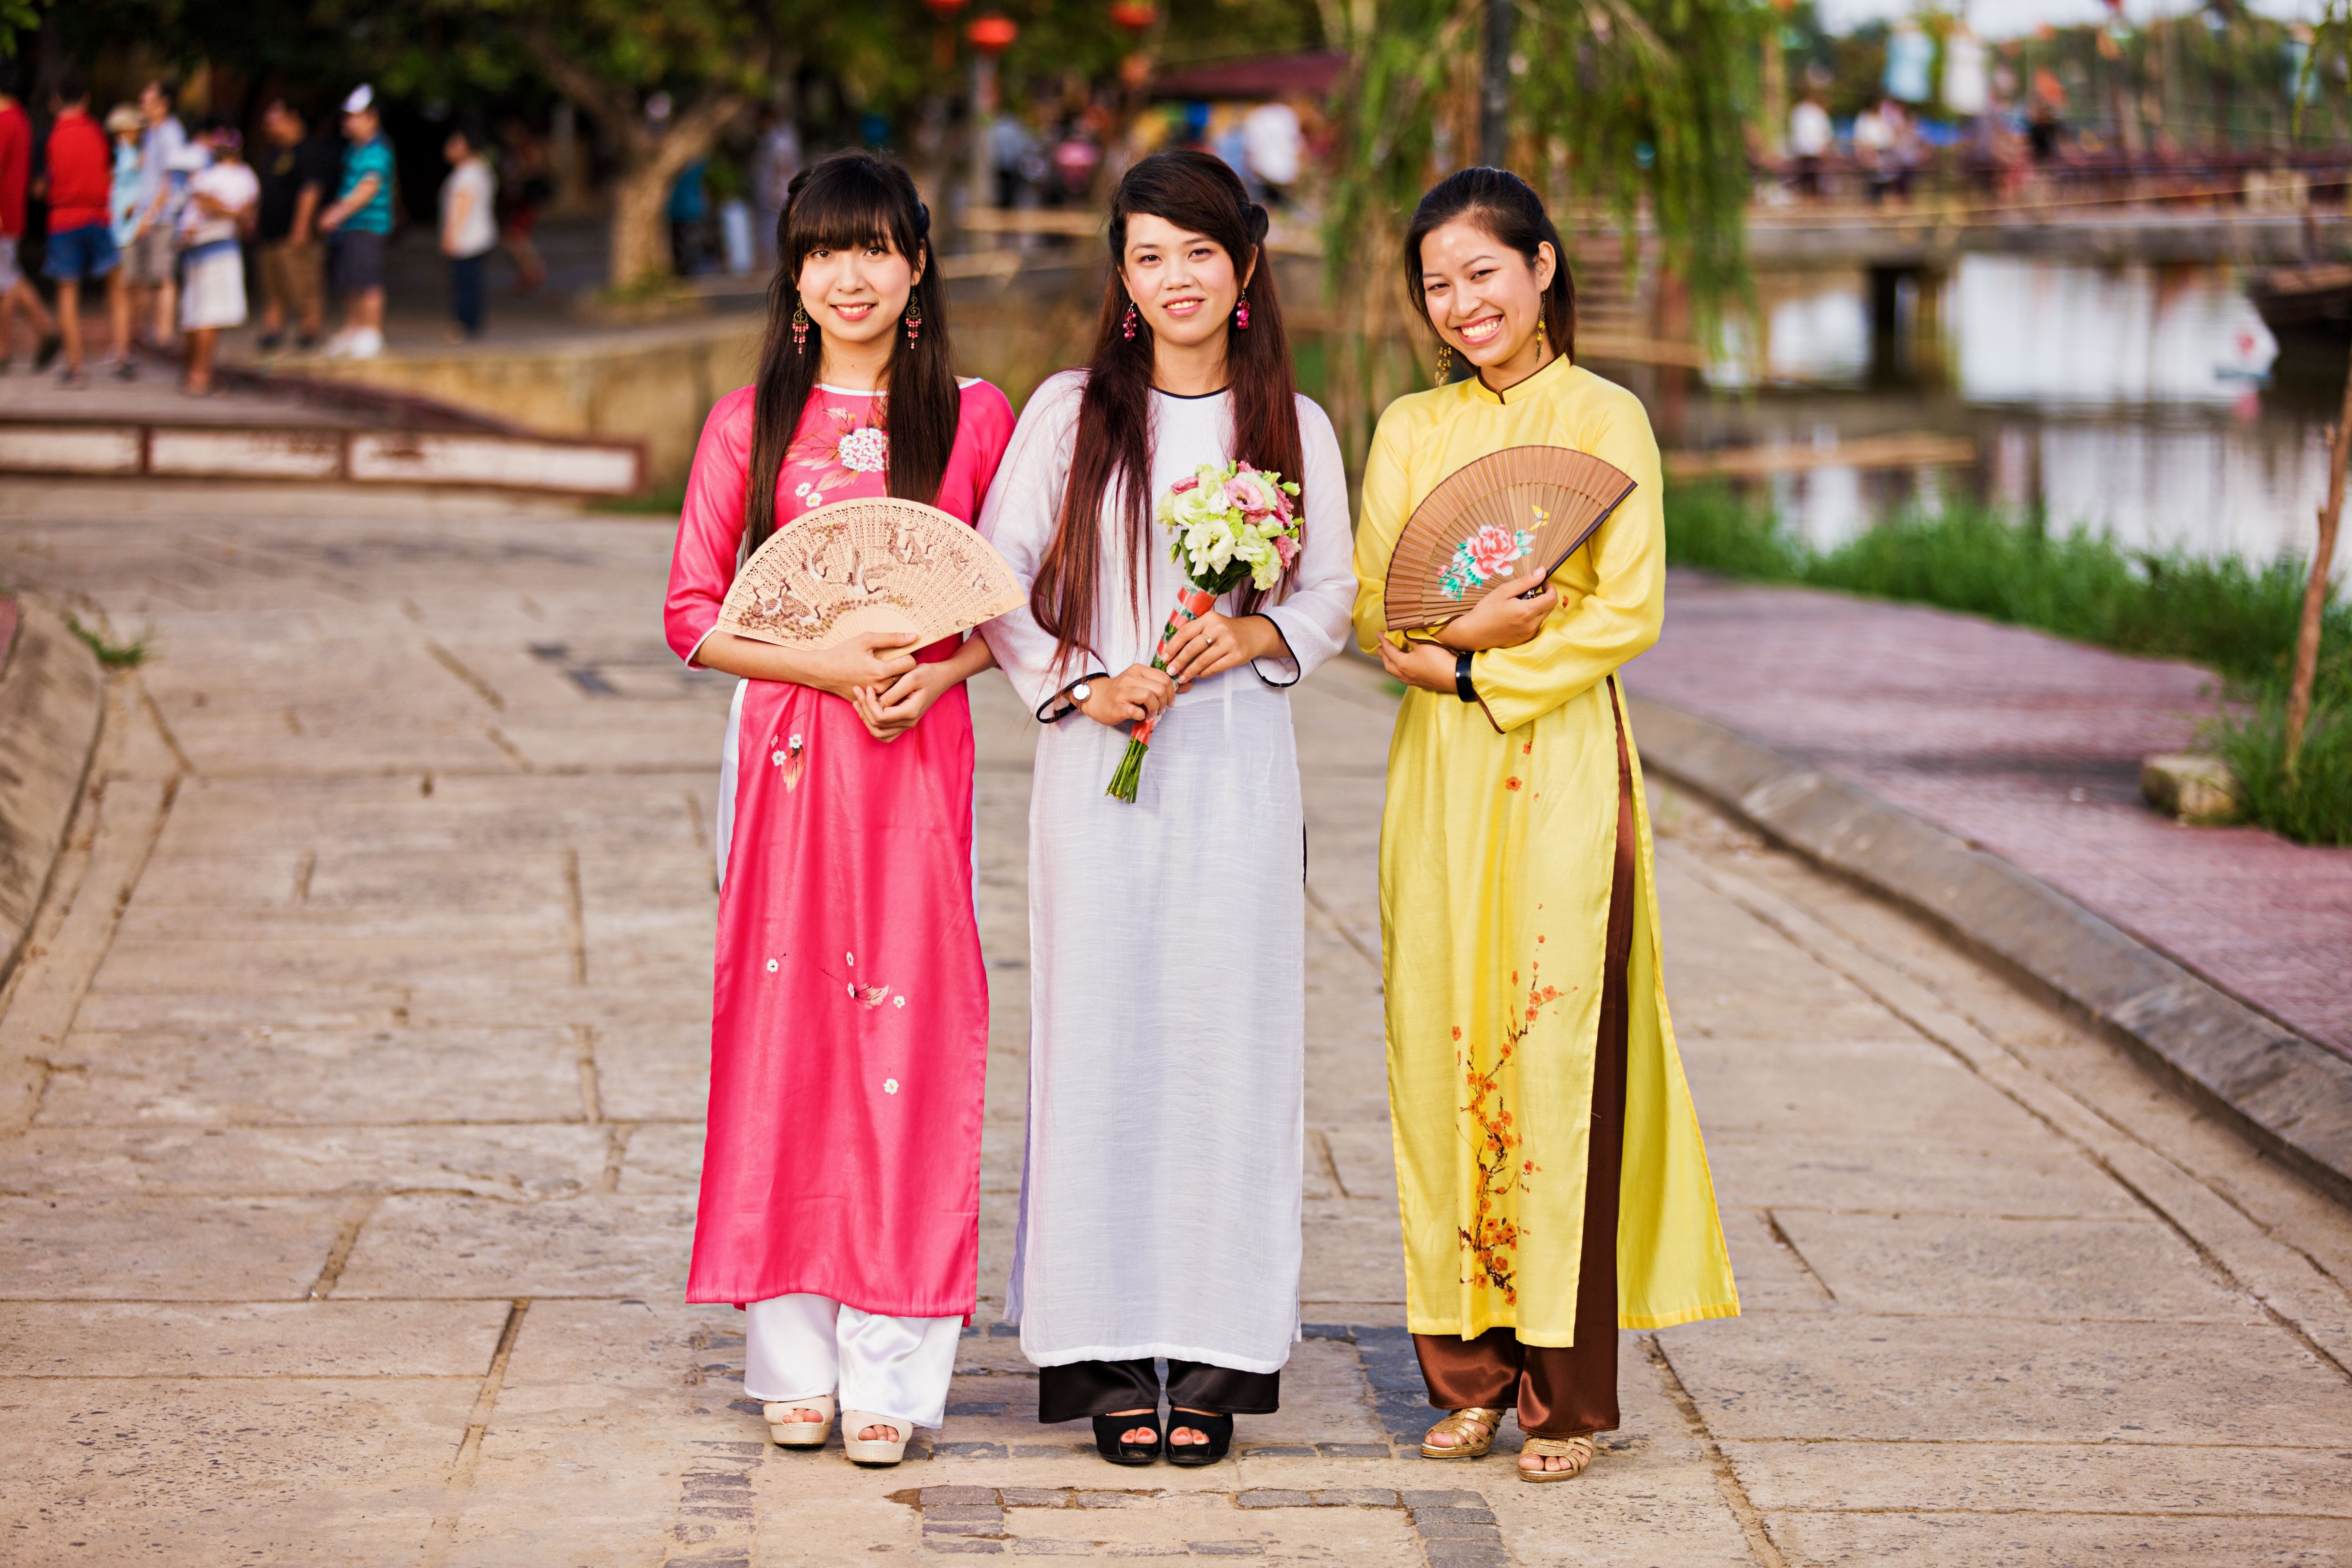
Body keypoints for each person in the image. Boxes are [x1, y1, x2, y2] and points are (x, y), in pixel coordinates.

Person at [1349, 167, 1736, 1483]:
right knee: (1441, 1036)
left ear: (1544, 268)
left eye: (1483, 274)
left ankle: (1564, 1397)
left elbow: (1627, 609)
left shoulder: (1608, 418)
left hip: (1565, 754)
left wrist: (1479, 667)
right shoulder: (1408, 428)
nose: (1462, 305)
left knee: (1558, 1050)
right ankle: (1463, 1377)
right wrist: (1460, 638)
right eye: (1437, 285)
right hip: (1438, 777)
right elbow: (1375, 609)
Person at [976, 149, 1355, 1468]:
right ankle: (1096, 1349)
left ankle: (1210, 1353)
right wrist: (1086, 685)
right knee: (1101, 1032)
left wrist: (1256, 643)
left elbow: (1334, 599)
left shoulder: (1293, 427)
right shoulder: (1074, 410)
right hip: (1100, 769)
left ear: (1243, 265)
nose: (1175, 278)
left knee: (1223, 1039)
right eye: (1148, 256)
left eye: (1198, 251)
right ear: (1122, 279)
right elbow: (996, 576)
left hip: (1236, 771)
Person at [663, 149, 1016, 1469]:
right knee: (786, 1029)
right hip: (787, 758)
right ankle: (791, 1353)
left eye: (874, 248)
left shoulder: (975, 419)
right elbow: (694, 611)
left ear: (918, 266)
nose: (848, 275)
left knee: (914, 1038)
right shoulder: (748, 423)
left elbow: (1017, 606)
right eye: (822, 251)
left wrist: (930, 675)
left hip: (917, 759)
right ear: (794, 275)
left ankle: (893, 1354)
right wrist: (821, 662)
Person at [41, 71, 132, 387]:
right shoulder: (97, 132)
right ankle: (122, 356)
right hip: (99, 217)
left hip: (63, 220)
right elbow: (109, 175)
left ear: (55, 101)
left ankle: (76, 369)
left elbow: (46, 182)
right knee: (117, 287)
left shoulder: (52, 136)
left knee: (68, 294)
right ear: (86, 99)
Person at [177, 122, 256, 396]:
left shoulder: (206, 174)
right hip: (220, 249)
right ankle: (200, 376)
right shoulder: (243, 176)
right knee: (208, 316)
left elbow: (201, 200)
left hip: (197, 248)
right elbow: (243, 212)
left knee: (194, 313)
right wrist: (232, 213)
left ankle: (191, 372)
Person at [253, 98, 336, 351]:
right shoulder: (276, 151)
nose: (269, 126)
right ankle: (273, 331)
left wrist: (301, 227)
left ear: (293, 119)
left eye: (275, 119)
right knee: (274, 286)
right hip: (271, 233)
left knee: (304, 285)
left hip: (295, 234)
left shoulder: (309, 151)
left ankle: (309, 332)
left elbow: (311, 190)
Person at [318, 84, 394, 359]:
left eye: (355, 117)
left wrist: (337, 212)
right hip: (351, 227)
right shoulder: (355, 150)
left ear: (371, 117)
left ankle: (371, 333)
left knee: (367, 279)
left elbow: (368, 187)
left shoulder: (378, 150)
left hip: (368, 226)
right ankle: (353, 329)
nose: (348, 123)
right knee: (349, 280)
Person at [0, 64, 60, 372]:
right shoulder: (21, 119)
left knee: (6, 280)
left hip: (3, 214)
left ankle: (8, 347)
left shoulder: (4, 122)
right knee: (9, 276)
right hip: (13, 211)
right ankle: (44, 330)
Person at [126, 78, 190, 349]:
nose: (143, 105)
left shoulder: (171, 133)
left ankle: (164, 335)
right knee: (146, 276)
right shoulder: (151, 132)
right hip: (147, 214)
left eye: (148, 101)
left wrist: (150, 215)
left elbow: (171, 179)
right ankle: (151, 332)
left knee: (163, 276)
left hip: (162, 216)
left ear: (164, 104)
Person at [439, 118, 496, 341]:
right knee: (473, 282)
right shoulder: (483, 169)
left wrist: (451, 234)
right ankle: (472, 323)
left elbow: (462, 205)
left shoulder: (466, 174)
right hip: (482, 235)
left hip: (468, 238)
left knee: (464, 283)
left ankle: (464, 325)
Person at [493, 118, 549, 294]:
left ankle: (534, 271)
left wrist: (517, 174)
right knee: (513, 238)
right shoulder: (509, 152)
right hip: (513, 200)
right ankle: (529, 271)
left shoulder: (529, 149)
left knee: (517, 237)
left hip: (524, 200)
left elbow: (536, 169)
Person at [749, 107, 801, 271]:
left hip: (778, 192)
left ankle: (771, 266)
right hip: (774, 190)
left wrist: (777, 189)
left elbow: (784, 165)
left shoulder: (780, 138)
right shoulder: (775, 136)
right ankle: (768, 266)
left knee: (774, 229)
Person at [1787, 91, 1831, 199]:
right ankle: (1810, 202)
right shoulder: (1814, 113)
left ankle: (1808, 201)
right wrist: (1822, 146)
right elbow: (1820, 134)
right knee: (1811, 180)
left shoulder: (1798, 111)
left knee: (1807, 179)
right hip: (1812, 152)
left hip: (1804, 151)